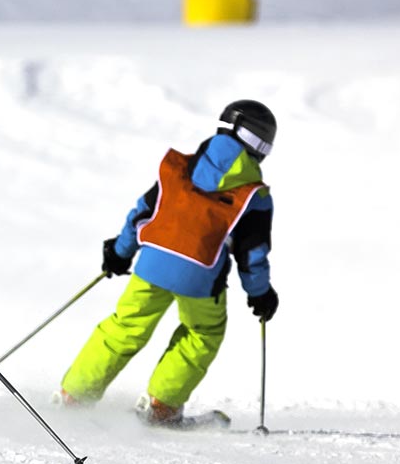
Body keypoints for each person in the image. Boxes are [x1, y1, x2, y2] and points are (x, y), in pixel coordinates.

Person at [56, 100, 280, 428]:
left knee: (125, 326)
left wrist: (120, 252)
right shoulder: (253, 195)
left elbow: (142, 213)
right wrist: (260, 293)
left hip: (152, 264)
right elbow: (252, 254)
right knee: (202, 332)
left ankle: (74, 396)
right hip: (201, 276)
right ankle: (162, 407)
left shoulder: (179, 169)